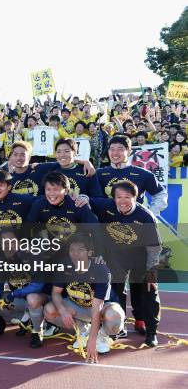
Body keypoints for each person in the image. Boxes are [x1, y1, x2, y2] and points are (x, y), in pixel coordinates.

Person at [90, 180, 162, 347]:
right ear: (113, 198)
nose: (122, 201)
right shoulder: (105, 205)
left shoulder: (146, 217)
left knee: (149, 290)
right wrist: (83, 198)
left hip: (141, 258)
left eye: (127, 197)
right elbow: (86, 199)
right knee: (115, 291)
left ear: (135, 198)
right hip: (116, 257)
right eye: (119, 197)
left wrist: (151, 272)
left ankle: (151, 331)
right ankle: (118, 327)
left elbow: (154, 248)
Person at [44, 233, 125, 363]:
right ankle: (83, 330)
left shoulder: (100, 269)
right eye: (72, 250)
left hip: (102, 307)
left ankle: (102, 336)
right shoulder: (64, 265)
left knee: (115, 318)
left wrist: (92, 341)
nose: (75, 254)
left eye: (80, 250)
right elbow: (55, 293)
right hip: (77, 306)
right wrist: (63, 311)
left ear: (89, 252)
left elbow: (97, 306)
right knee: (49, 310)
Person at [96, 135, 167, 216]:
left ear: (129, 152)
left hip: (135, 224)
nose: (115, 153)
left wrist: (151, 214)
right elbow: (90, 198)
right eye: (112, 149)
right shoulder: (99, 173)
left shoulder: (142, 173)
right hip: (105, 222)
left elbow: (160, 194)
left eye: (120, 149)